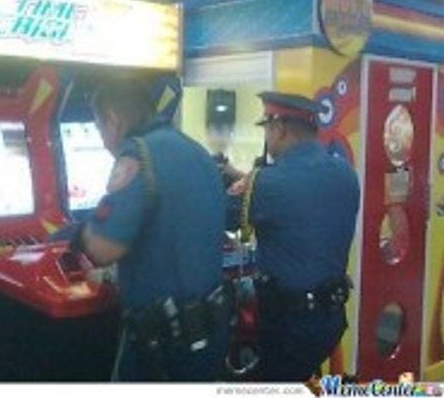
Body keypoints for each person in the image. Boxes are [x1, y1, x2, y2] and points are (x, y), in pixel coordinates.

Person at [68, 73, 230, 382]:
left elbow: (102, 249)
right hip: (209, 335)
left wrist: (76, 236)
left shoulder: (138, 155)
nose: (102, 140)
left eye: (99, 128)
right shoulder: (195, 150)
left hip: (164, 347)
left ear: (112, 120)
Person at [230, 91, 360, 382]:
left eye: (267, 130)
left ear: (279, 129)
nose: (267, 139)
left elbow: (223, 212)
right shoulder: (345, 173)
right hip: (330, 320)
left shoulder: (268, 182)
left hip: (287, 326)